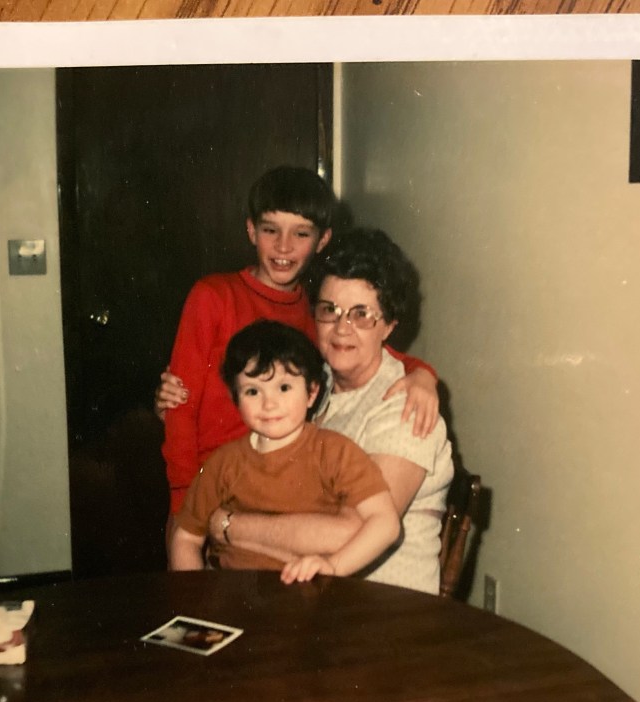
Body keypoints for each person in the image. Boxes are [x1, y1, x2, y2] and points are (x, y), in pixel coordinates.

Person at [160, 228, 454, 594]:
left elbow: (347, 533)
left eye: (361, 315)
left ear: (389, 326)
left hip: (380, 608)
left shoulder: (404, 408)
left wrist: (225, 525)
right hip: (301, 594)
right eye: (330, 310)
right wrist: (178, 401)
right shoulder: (315, 381)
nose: (341, 328)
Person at [161, 166, 440, 518]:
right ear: (251, 230)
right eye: (270, 230)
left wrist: (423, 376)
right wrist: (185, 505)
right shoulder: (213, 297)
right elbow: (179, 410)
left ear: (322, 240)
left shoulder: (317, 314)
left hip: (275, 494)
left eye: (301, 234)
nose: (283, 246)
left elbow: (380, 349)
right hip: (210, 489)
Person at [168, 319, 401, 586]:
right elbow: (185, 537)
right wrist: (194, 600)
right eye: (253, 391)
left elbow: (386, 523)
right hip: (233, 596)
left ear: (312, 393)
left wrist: (333, 566)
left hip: (309, 596)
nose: (269, 404)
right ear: (236, 399)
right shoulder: (223, 463)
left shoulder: (335, 452)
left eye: (284, 387)